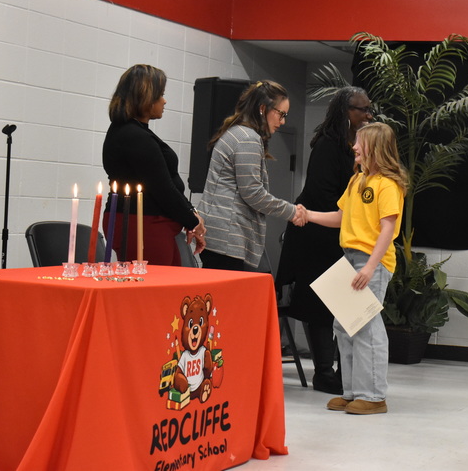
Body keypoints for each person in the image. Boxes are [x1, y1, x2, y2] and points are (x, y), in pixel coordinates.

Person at [305, 122, 407, 415]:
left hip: (370, 260)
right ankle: (351, 392)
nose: (354, 147)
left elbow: (388, 229)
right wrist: (307, 215)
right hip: (349, 258)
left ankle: (373, 396)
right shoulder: (356, 181)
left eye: (360, 142)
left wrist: (370, 267)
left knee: (365, 325)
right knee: (345, 325)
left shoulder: (388, 184)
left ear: (375, 147)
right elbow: (341, 217)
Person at [276, 86, 374, 394]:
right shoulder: (328, 145)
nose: (369, 115)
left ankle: (347, 372)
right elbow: (322, 196)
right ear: (345, 112)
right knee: (321, 306)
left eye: (369, 108)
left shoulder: (357, 144)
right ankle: (323, 373)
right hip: (317, 234)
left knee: (348, 307)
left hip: (341, 232)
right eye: (362, 109)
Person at [102, 64, 206, 265]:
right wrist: (192, 221)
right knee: (155, 283)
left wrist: (192, 215)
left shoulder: (136, 132)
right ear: (145, 97)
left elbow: (166, 184)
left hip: (152, 222)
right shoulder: (132, 135)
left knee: (172, 281)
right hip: (141, 222)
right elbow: (162, 187)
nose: (164, 101)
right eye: (160, 95)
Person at [198, 80, 306, 271]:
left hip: (221, 235)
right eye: (281, 114)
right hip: (227, 236)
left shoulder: (239, 133)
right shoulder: (248, 138)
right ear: (263, 109)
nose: (283, 121)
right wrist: (292, 212)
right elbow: (253, 194)